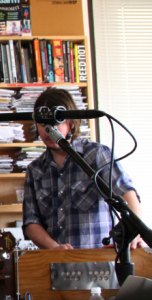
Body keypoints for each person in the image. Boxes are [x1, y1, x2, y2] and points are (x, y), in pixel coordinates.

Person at [23, 87, 143, 250]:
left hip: (100, 261)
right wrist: (55, 248)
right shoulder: (34, 170)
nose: (48, 131)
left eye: (56, 123)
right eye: (43, 124)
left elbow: (127, 194)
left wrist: (132, 233)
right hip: (56, 265)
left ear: (71, 124)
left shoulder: (97, 155)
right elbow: (31, 221)